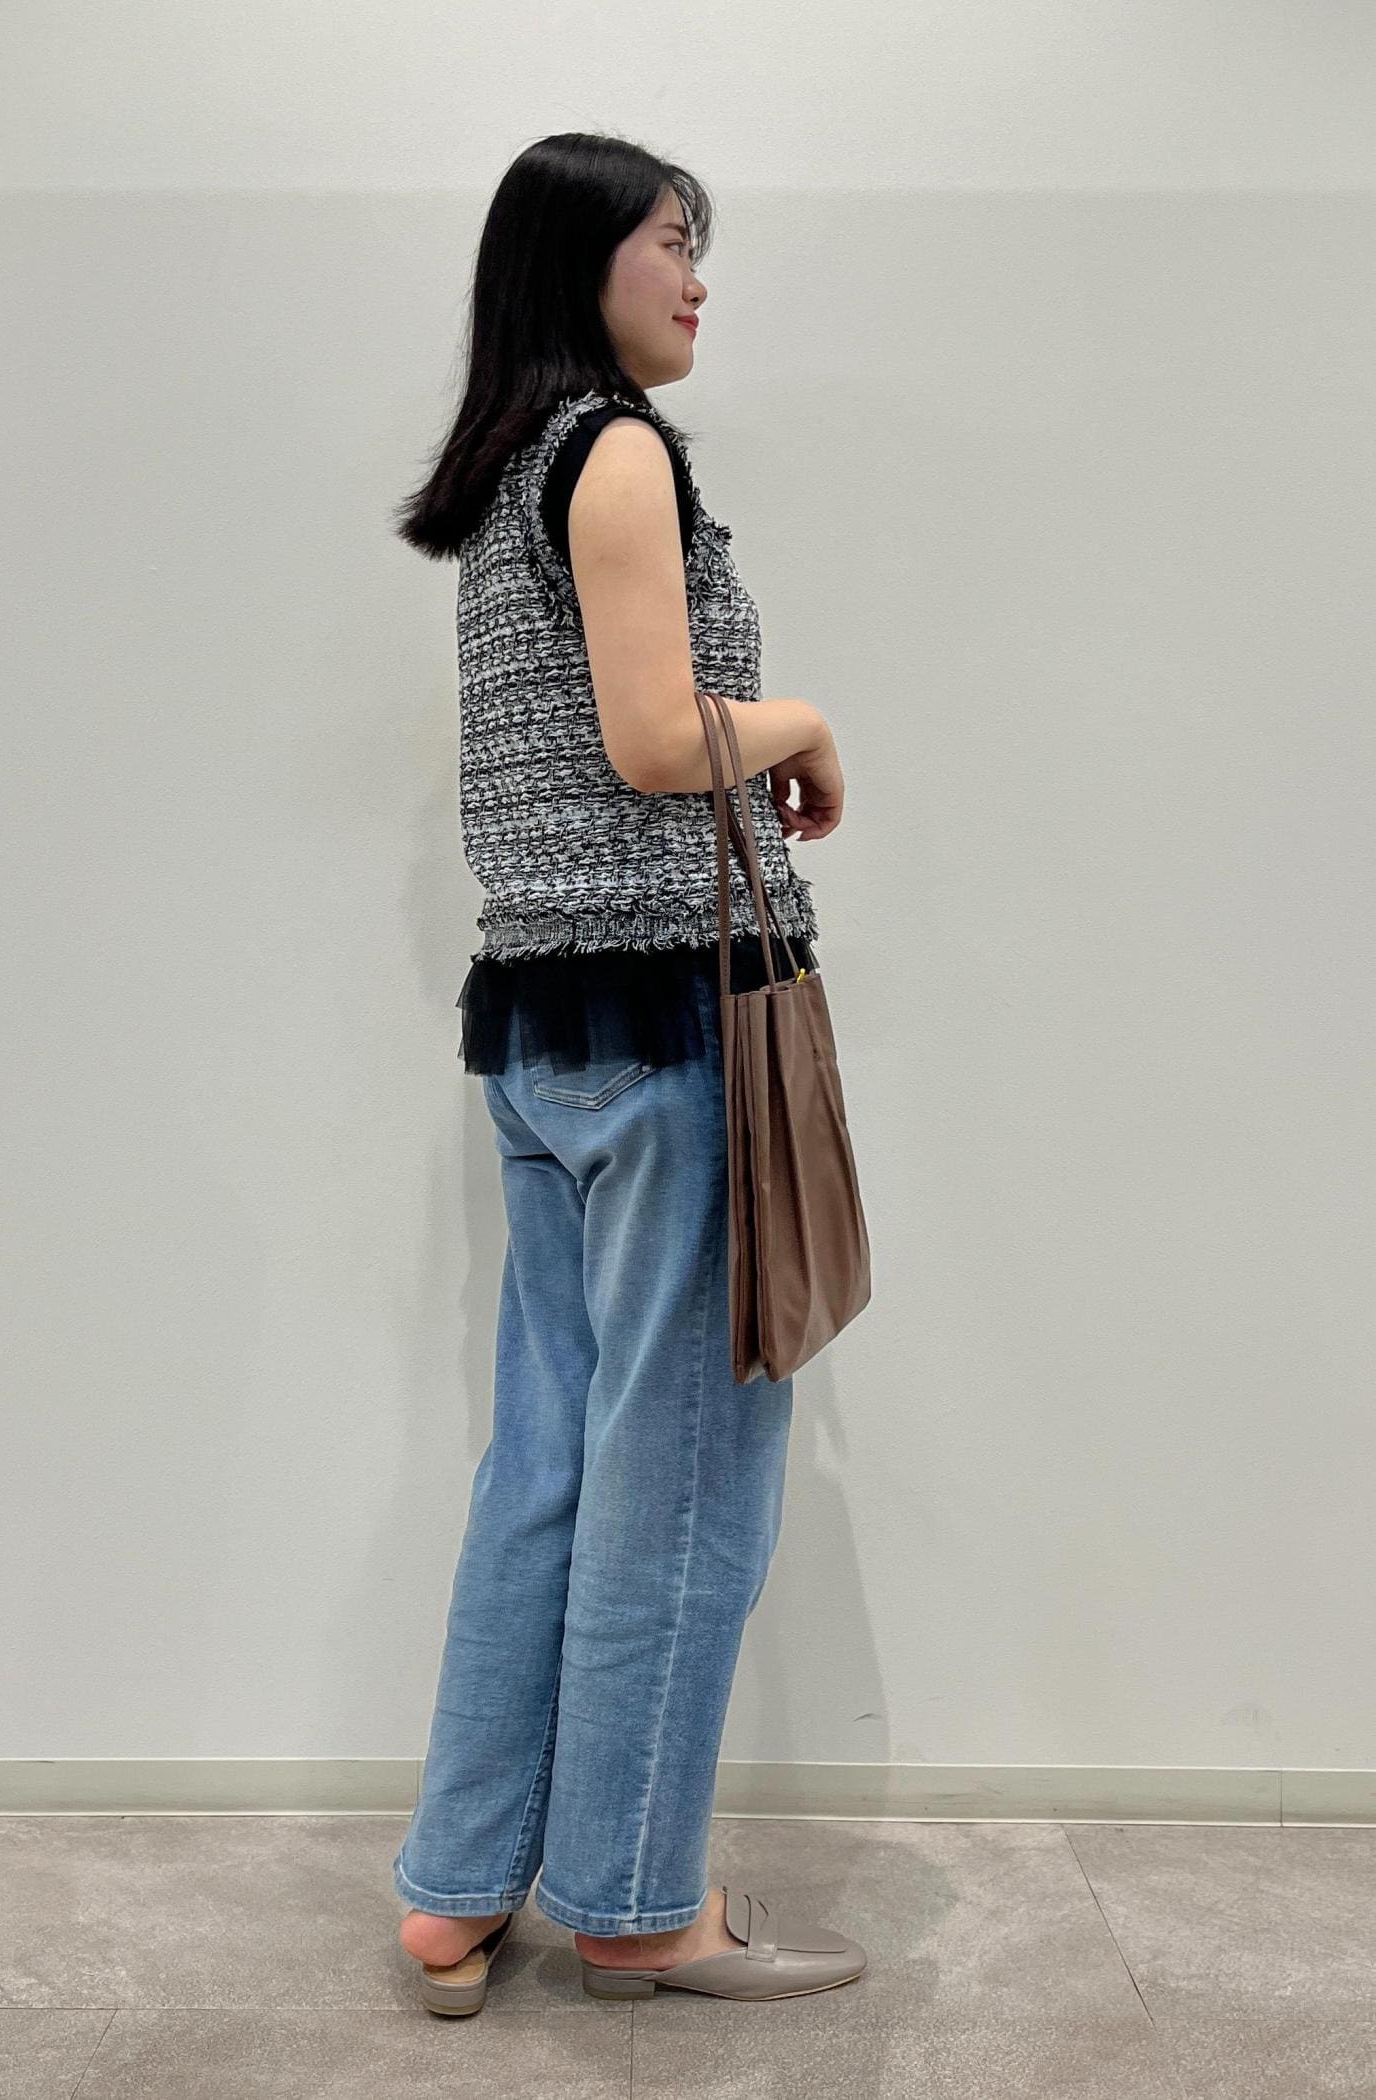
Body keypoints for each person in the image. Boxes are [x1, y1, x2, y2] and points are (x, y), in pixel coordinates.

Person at [387, 130, 864, 2008]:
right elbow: (661, 741)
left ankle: (455, 1891)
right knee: (679, 1480)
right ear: (581, 259)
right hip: (673, 1029)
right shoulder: (618, 452)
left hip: (544, 1033)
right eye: (673, 242)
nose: (696, 277)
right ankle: (639, 1902)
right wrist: (807, 718)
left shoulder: (511, 467)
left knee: (548, 1463)